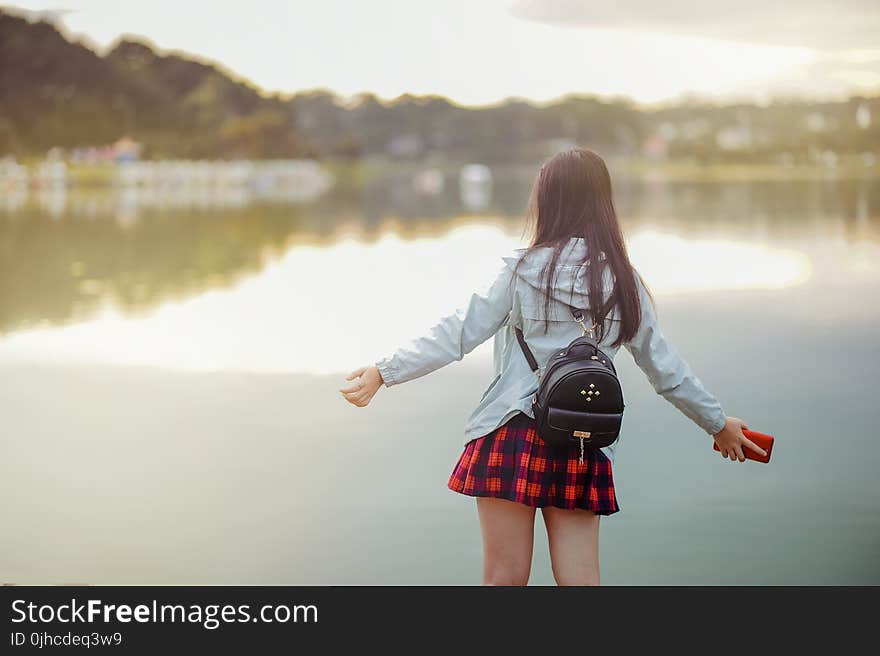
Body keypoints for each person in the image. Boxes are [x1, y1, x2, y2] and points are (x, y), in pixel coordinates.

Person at [339, 148, 766, 586]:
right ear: (603, 202)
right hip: (582, 440)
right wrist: (717, 424)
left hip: (510, 431)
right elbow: (666, 369)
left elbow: (457, 333)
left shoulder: (520, 271)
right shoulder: (624, 281)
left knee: (503, 579)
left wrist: (384, 371)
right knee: (581, 580)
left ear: (549, 200)